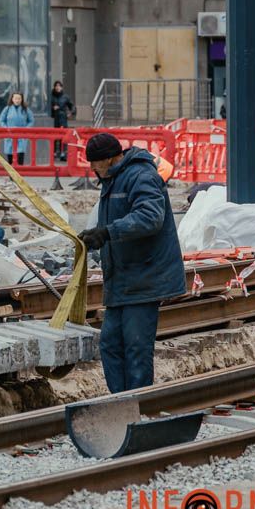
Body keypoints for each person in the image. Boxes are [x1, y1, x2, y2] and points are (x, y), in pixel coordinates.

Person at [77, 133, 185, 394]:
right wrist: (97, 237)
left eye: (95, 162)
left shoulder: (141, 175)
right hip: (122, 278)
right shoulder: (112, 179)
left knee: (136, 347)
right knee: (110, 344)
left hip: (145, 277)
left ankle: (137, 404)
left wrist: (107, 233)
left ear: (110, 158)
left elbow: (150, 217)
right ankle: (120, 401)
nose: (92, 168)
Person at [0, 92, 34, 165]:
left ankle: (20, 171)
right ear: (12, 99)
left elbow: (31, 121)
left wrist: (26, 129)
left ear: (22, 99)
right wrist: (6, 128)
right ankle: (11, 172)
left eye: (19, 98)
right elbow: (1, 120)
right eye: (15, 98)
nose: (17, 100)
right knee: (10, 157)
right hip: (9, 135)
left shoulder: (25, 109)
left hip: (21, 136)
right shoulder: (7, 109)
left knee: (20, 156)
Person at [49, 81, 76, 161]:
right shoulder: (51, 97)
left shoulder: (65, 97)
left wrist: (71, 113)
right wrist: (52, 108)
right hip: (53, 119)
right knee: (54, 136)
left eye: (59, 86)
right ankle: (54, 153)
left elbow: (72, 106)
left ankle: (63, 153)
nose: (58, 87)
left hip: (62, 119)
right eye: (56, 86)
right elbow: (46, 107)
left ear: (61, 87)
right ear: (54, 87)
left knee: (63, 136)